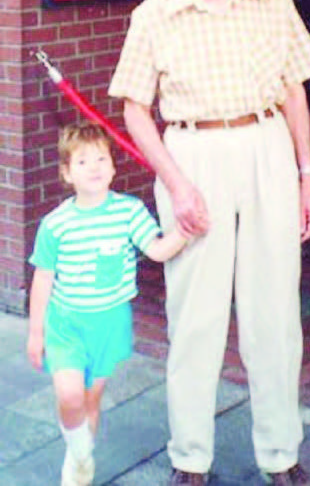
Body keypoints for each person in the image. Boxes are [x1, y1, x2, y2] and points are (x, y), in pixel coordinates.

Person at [108, 0, 310, 485]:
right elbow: (134, 109)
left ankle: (281, 455)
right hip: (192, 154)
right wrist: (176, 184)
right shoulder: (155, 13)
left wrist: (306, 175)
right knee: (195, 317)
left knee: (275, 313)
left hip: (266, 146)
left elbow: (294, 91)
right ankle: (190, 459)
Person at [26, 122, 190, 486]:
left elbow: (157, 249)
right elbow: (43, 279)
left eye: (101, 158)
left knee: (90, 398)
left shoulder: (129, 212)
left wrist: (185, 230)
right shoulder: (56, 224)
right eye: (83, 161)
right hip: (66, 324)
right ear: (67, 173)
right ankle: (79, 453)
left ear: (114, 167)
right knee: (69, 396)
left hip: (109, 323)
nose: (95, 167)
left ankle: (79, 463)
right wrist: (36, 333)